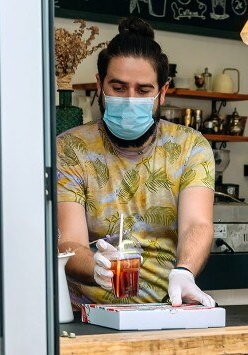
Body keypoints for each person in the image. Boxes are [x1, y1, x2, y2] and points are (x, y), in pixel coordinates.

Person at [56, 17, 216, 307]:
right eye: (118, 88)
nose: (130, 100)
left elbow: (197, 223)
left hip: (169, 307)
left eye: (143, 91)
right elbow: (70, 241)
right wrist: (95, 268)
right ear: (99, 86)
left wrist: (185, 271)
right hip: (89, 315)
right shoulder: (70, 149)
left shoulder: (190, 147)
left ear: (162, 93)